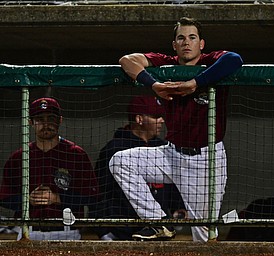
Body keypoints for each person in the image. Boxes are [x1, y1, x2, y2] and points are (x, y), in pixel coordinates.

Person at [109, 17, 243, 242]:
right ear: (174, 45)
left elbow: (235, 59)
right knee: (120, 162)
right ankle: (158, 223)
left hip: (205, 160)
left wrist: (195, 83)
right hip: (171, 154)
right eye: (181, 38)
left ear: (201, 44)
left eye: (192, 38)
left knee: (204, 236)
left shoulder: (211, 62)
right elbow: (127, 60)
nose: (186, 43)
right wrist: (153, 84)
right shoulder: (167, 63)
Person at [0, 97, 99, 240]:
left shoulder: (76, 154)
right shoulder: (19, 157)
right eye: (40, 119)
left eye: (51, 118)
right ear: (31, 122)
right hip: (29, 232)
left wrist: (58, 198)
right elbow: (5, 198)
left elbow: (92, 196)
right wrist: (27, 200)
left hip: (67, 231)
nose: (45, 124)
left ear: (60, 120)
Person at [93, 95, 185, 240]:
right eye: (156, 116)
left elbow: (172, 184)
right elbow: (98, 192)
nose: (162, 121)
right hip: (122, 232)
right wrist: (104, 231)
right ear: (139, 119)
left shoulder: (163, 147)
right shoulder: (115, 149)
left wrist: (178, 207)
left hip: (159, 231)